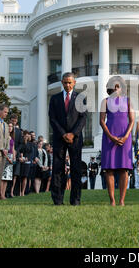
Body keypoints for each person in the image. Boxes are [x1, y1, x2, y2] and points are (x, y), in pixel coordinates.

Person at [48, 72, 87, 206]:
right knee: (58, 169)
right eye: (65, 82)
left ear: (74, 83)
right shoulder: (55, 98)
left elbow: (83, 118)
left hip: (75, 139)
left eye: (70, 82)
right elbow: (52, 118)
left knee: (76, 169)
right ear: (62, 83)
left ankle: (75, 200)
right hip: (59, 138)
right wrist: (63, 134)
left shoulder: (80, 98)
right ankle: (58, 199)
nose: (68, 85)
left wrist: (73, 134)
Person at [100, 76, 134, 206]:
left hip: (125, 137)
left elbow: (132, 121)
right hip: (109, 138)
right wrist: (111, 137)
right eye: (113, 86)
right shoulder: (105, 101)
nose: (115, 89)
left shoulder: (128, 101)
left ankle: (122, 200)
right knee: (109, 169)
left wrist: (125, 137)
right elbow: (102, 121)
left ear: (121, 88)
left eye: (117, 86)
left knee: (124, 169)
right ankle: (112, 200)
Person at [0, 123, 14, 199]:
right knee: (3, 177)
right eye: (9, 126)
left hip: (11, 157)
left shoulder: (11, 137)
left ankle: (3, 194)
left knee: (7, 177)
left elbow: (13, 148)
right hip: (5, 156)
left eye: (11, 127)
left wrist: (13, 158)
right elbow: (4, 148)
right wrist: (8, 158)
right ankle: (0, 194)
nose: (10, 128)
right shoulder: (5, 136)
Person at [10, 114, 22, 197]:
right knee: (8, 174)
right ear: (10, 120)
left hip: (16, 155)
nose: (14, 122)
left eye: (15, 121)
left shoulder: (19, 131)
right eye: (12, 120)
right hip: (9, 153)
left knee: (15, 174)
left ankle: (12, 191)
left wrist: (16, 151)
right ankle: (6, 191)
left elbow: (21, 143)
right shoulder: (8, 128)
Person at [19, 131, 34, 196]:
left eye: (28, 136)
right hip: (21, 161)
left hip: (27, 162)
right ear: (23, 136)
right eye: (25, 136)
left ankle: (23, 191)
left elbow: (31, 153)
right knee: (20, 177)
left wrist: (27, 158)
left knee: (25, 177)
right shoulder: (21, 143)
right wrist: (21, 157)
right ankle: (19, 191)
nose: (26, 137)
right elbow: (19, 150)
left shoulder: (30, 144)